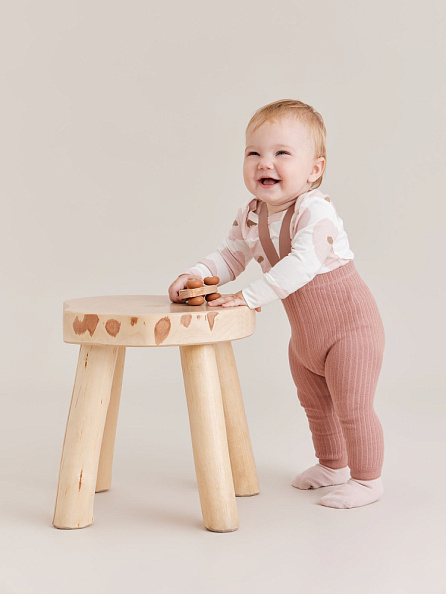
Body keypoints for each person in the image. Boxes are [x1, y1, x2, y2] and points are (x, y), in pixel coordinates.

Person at [168, 99, 386, 509]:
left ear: (314, 170)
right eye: (254, 153)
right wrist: (195, 273)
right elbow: (230, 256)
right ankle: (333, 465)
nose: (265, 162)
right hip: (306, 339)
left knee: (352, 406)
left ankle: (368, 479)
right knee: (316, 405)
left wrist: (248, 299)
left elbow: (303, 264)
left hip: (350, 331)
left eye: (282, 153)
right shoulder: (252, 215)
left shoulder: (316, 211)